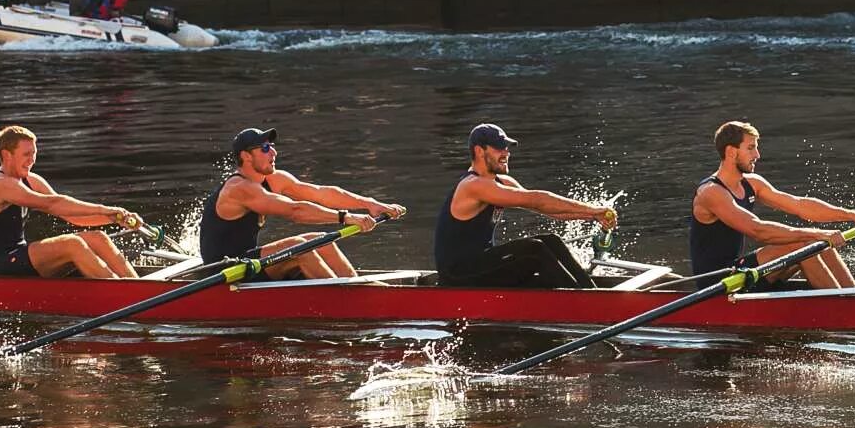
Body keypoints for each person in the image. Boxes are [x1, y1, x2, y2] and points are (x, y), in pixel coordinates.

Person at [690, 121, 855, 290]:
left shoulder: (752, 183)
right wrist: (817, 234)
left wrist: (853, 215)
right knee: (804, 243)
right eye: (750, 148)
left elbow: (800, 205)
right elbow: (758, 230)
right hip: (717, 281)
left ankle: (854, 297)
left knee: (818, 244)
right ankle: (845, 308)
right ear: (731, 152)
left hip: (742, 271)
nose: (757, 154)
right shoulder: (711, 192)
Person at [198, 127, 403, 279]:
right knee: (300, 248)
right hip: (224, 271)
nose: (274, 153)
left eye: (273, 147)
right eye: (265, 148)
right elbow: (294, 211)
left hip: (248, 261)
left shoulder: (274, 179)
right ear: (246, 156)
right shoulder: (239, 188)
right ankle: (347, 301)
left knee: (321, 240)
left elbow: (320, 193)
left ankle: (359, 290)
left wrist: (369, 203)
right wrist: (346, 217)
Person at [434, 123, 617, 288]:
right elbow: (536, 199)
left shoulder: (502, 182)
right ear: (479, 151)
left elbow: (544, 207)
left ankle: (589, 291)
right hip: (457, 276)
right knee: (534, 250)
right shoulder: (473, 185)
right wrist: (593, 210)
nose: (506, 153)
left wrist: (593, 216)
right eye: (499, 148)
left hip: (481, 266)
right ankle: (584, 302)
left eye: (506, 148)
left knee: (551, 240)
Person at [0, 125, 143, 279]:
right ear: (6, 155)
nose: (32, 160)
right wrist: (104, 208)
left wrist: (114, 218)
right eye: (26, 154)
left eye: (34, 153)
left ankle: (139, 287)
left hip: (20, 257)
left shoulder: (32, 180)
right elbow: (52, 203)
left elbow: (72, 216)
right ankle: (124, 295)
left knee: (98, 238)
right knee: (72, 244)